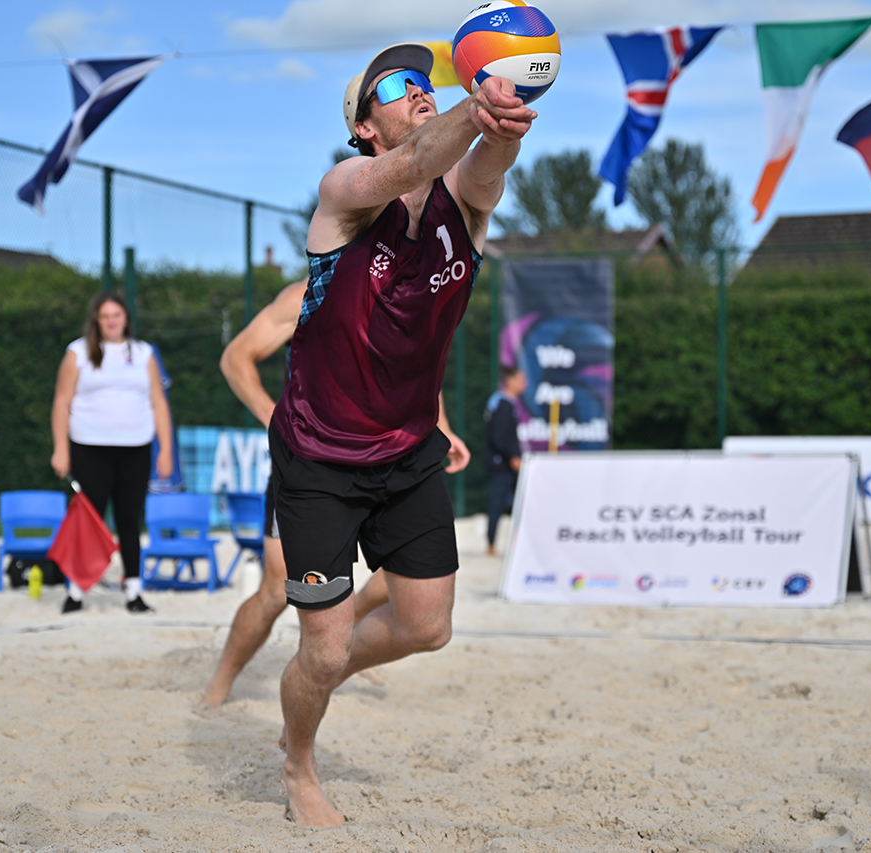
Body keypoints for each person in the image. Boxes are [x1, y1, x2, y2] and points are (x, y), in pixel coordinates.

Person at [269, 45, 535, 825]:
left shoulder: (465, 207)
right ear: (364, 126)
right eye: (396, 86)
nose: (418, 90)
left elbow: (486, 162)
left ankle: (319, 668)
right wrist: (474, 110)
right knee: (321, 646)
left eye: (426, 81)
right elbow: (419, 155)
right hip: (318, 452)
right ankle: (298, 763)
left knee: (428, 626)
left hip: (408, 447)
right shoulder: (345, 193)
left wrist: (507, 119)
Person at [199, 279, 470, 708]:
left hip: (389, 464)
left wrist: (443, 428)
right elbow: (236, 358)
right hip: (312, 469)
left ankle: (345, 642)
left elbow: (420, 372)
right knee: (274, 591)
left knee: (406, 586)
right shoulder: (310, 292)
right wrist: (279, 420)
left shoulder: (412, 288)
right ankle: (220, 682)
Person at [51, 292, 172, 614]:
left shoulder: (143, 353)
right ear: (96, 320)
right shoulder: (77, 352)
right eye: (105, 316)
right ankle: (76, 591)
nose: (111, 321)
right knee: (88, 520)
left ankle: (133, 590)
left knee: (129, 519)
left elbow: (158, 403)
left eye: (117, 314)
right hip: (89, 448)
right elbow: (62, 401)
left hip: (135, 449)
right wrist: (61, 449)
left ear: (126, 318)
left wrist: (166, 451)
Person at [485, 364, 525, 556]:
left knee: (512, 502)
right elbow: (499, 438)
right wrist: (513, 457)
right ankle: (491, 544)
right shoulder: (503, 404)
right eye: (520, 380)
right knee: (498, 504)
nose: (523, 384)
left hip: (507, 463)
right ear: (509, 381)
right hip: (502, 464)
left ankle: (515, 543)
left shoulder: (505, 404)